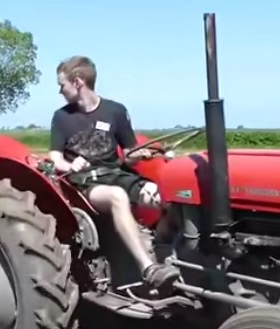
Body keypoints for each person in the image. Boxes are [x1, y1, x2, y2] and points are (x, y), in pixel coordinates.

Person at [47, 55, 181, 289]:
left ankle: (160, 249)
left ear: (78, 82)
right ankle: (148, 268)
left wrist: (144, 154)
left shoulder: (116, 111)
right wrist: (70, 166)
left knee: (167, 198)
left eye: (62, 85)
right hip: (85, 183)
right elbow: (55, 158)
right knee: (117, 196)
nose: (60, 91)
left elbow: (129, 153)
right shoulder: (61, 117)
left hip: (116, 174)